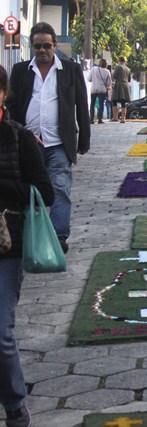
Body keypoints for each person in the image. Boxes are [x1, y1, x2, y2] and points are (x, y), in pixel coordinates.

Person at [0, 64, 54, 427]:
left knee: (0, 332)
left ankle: (15, 405)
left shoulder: (19, 139)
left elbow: (45, 194)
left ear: (3, 94)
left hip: (8, 245)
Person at [6, 21, 91, 254]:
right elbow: (12, 106)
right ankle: (26, 233)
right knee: (28, 191)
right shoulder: (21, 70)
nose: (42, 50)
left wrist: (84, 138)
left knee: (60, 189)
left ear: (55, 46)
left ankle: (58, 237)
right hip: (27, 143)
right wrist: (18, 134)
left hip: (59, 142)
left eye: (46, 46)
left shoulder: (70, 69)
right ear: (32, 47)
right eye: (37, 47)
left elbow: (81, 105)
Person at [88, 58, 112, 124]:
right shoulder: (107, 71)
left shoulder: (93, 69)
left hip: (94, 89)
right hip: (102, 90)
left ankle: (91, 119)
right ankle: (100, 119)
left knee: (92, 104)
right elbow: (108, 83)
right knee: (101, 104)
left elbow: (89, 79)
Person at [111, 56, 132, 123]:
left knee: (114, 100)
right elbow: (129, 79)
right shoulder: (128, 69)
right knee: (123, 102)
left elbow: (114, 76)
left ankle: (115, 117)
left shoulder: (118, 67)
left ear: (119, 60)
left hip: (119, 85)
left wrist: (112, 73)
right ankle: (123, 118)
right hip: (125, 86)